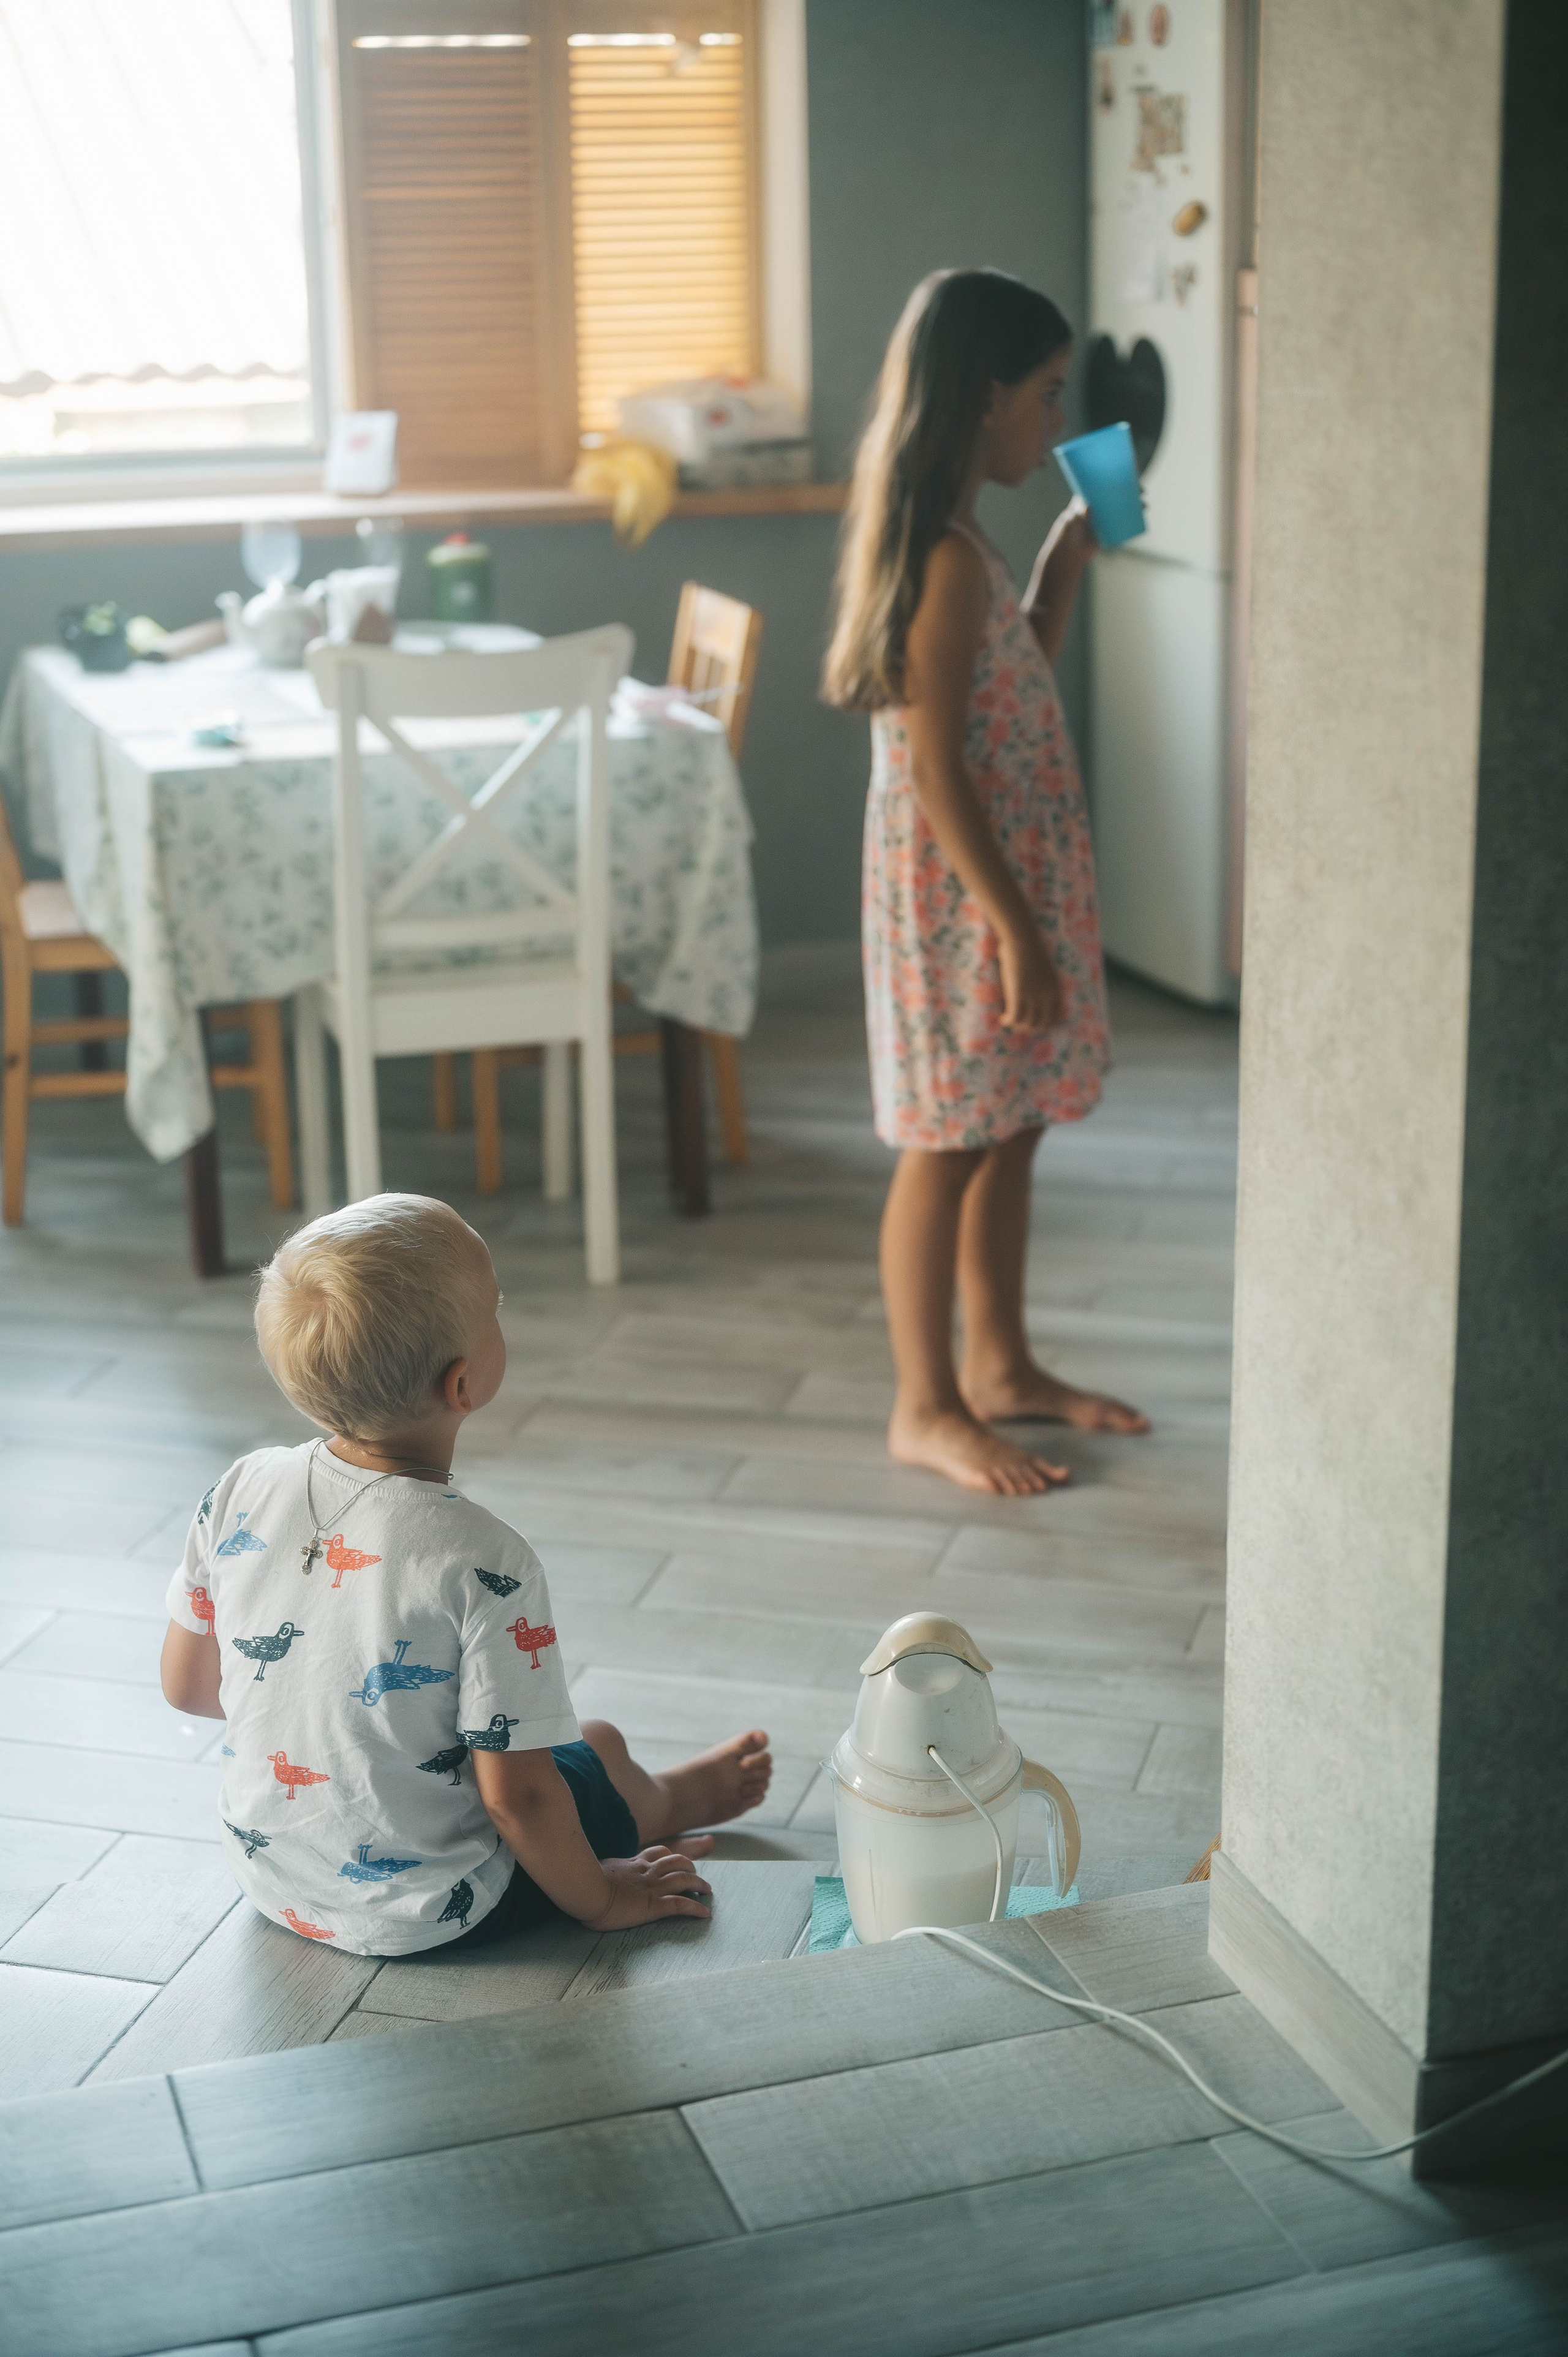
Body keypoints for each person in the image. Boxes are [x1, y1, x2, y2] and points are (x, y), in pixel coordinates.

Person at [159, 1193, 770, 1955]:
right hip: (437, 1908)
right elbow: (518, 1798)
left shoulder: (240, 1489)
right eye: (498, 1309)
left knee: (561, 1749)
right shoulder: (486, 1558)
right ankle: (668, 1799)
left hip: (275, 1874)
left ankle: (647, 1792)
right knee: (597, 1745)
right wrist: (605, 1896)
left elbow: (189, 1685)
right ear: (462, 1384)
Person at [823, 266, 1150, 1497]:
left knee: (1007, 1124)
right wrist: (1014, 926)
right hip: (961, 905)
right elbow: (933, 770)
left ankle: (1001, 1364)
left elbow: (1009, 694)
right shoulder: (940, 562)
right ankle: (925, 1403)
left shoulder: (968, 547)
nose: (1056, 419)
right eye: (1046, 393)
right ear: (982, 397)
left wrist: (1068, 552)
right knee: (945, 1143)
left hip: (996, 887)